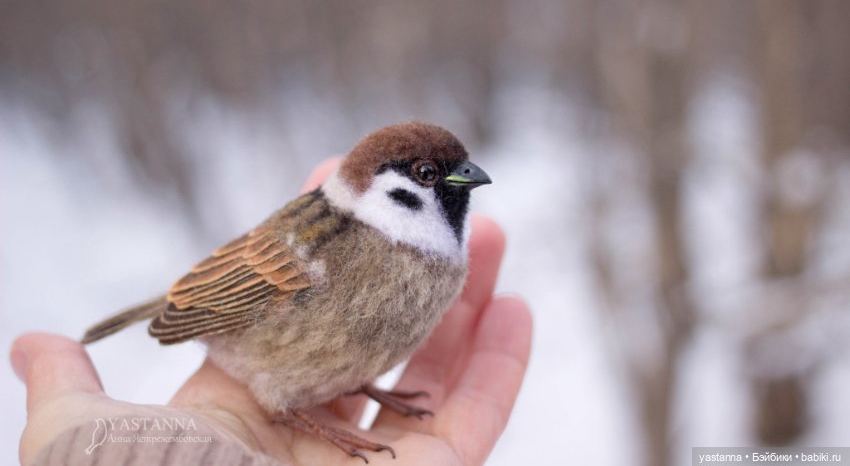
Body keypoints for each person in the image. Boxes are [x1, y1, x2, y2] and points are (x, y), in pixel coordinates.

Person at [11, 159, 533, 466]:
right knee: (289, 393)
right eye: (429, 172)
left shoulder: (439, 253)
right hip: (245, 325)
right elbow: (247, 278)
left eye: (457, 167)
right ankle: (303, 407)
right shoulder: (343, 244)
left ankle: (343, 385)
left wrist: (352, 376)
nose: (465, 176)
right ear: (389, 188)